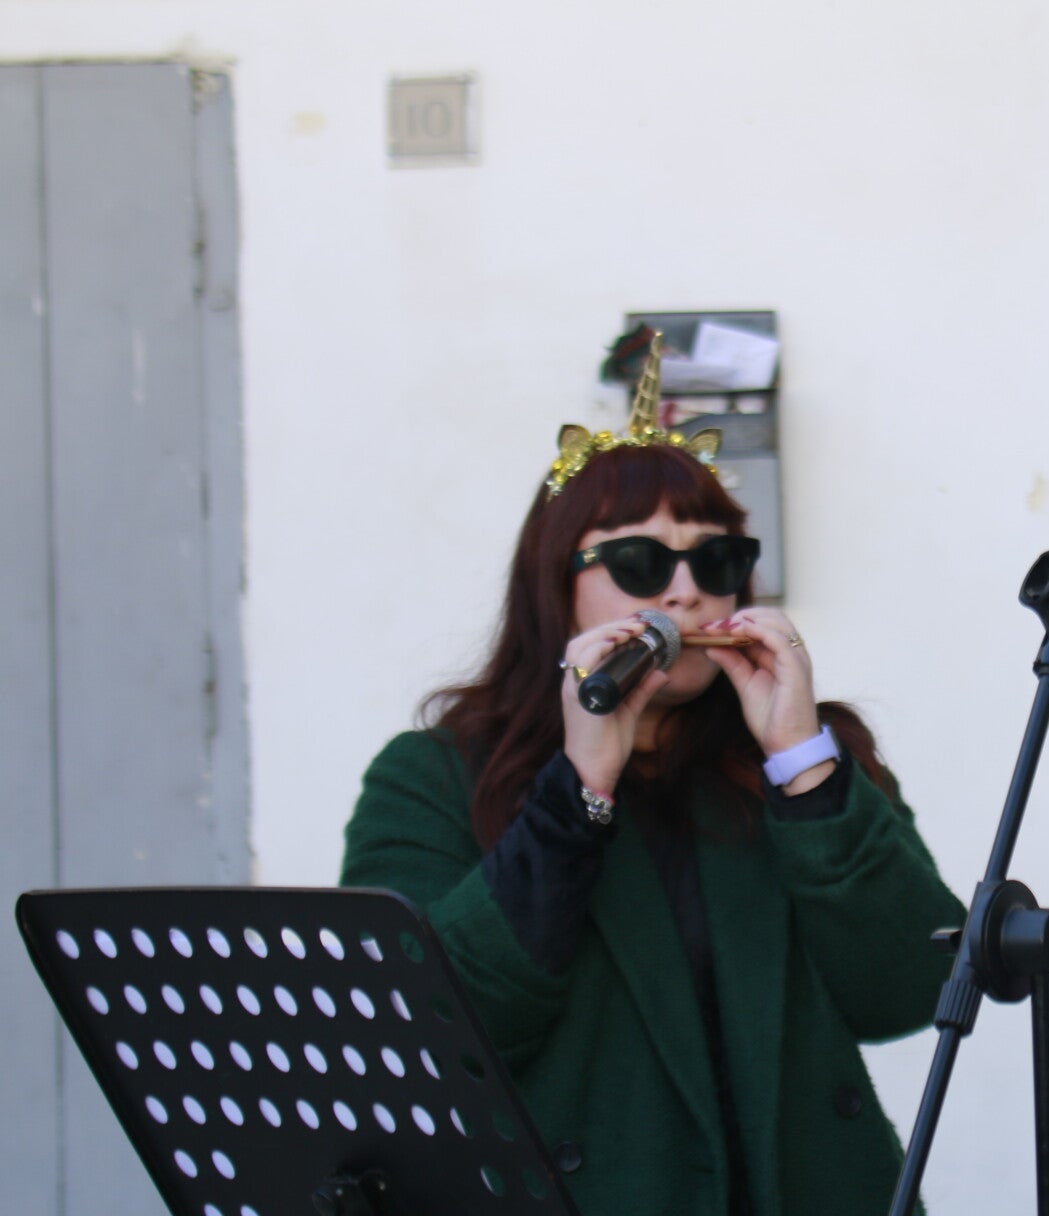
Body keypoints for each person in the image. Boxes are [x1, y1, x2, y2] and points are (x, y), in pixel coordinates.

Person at [341, 327, 965, 1216]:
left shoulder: (811, 759)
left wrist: (803, 766)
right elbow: (425, 1036)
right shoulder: (434, 778)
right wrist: (577, 792)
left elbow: (908, 989)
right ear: (555, 586)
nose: (684, 592)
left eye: (716, 560)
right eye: (639, 562)